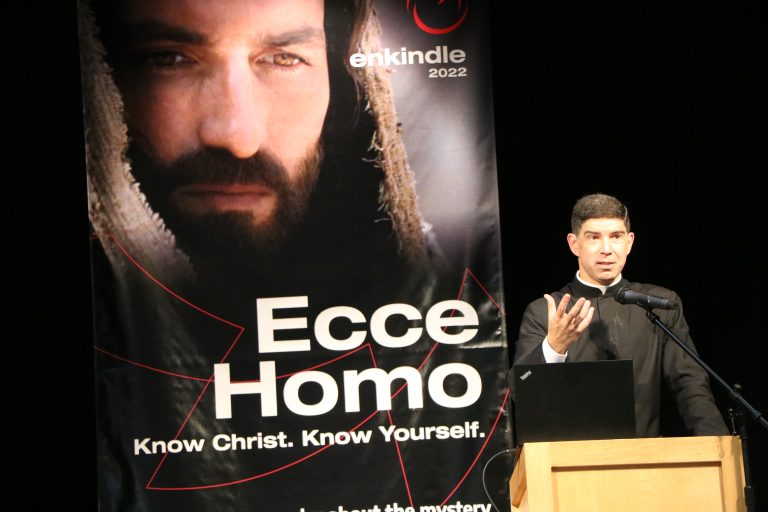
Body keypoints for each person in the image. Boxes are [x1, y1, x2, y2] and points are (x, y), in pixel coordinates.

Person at [77, 1, 510, 510]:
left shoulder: (440, 298)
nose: (237, 136)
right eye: (168, 58)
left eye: (284, 59)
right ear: (103, 75)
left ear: (346, 83)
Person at [511, 193, 727, 437]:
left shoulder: (659, 305)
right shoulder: (545, 311)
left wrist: (717, 444)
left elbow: (690, 385)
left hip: (643, 454)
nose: (606, 250)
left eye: (616, 236)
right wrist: (554, 347)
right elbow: (519, 392)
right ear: (574, 244)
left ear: (629, 242)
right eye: (593, 237)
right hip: (569, 457)